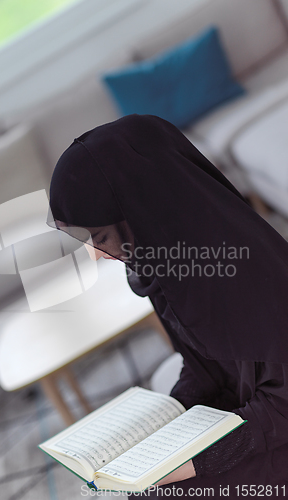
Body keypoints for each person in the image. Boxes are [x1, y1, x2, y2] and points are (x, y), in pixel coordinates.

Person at [47, 114, 288, 498]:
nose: (96, 254)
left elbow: (281, 409)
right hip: (254, 420)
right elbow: (206, 370)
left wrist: (187, 465)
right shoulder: (165, 265)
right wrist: (161, 423)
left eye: (101, 235)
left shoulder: (244, 272)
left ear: (143, 210)